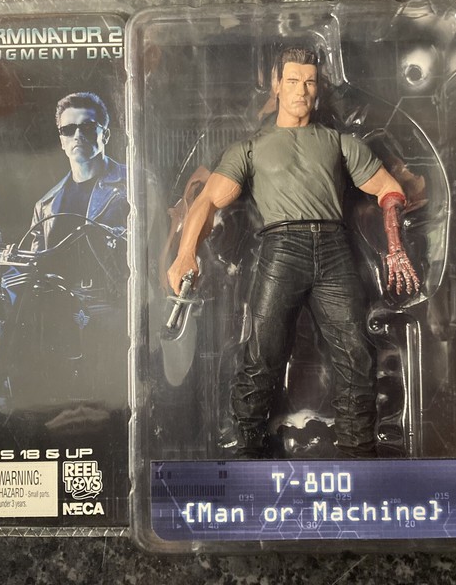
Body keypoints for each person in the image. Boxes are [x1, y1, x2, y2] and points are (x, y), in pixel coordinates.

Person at [167, 48, 420, 458]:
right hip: (281, 249)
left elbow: (390, 189)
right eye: (292, 81)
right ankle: (247, 454)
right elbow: (207, 201)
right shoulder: (251, 149)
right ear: (276, 85)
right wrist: (185, 254)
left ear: (318, 88)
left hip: (335, 250)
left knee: (356, 355)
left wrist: (395, 247)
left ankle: (359, 453)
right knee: (262, 356)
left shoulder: (339, 143)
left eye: (309, 82)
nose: (301, 90)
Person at [30, 92, 128, 401]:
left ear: (105, 134)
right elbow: (33, 265)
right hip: (62, 318)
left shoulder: (133, 186)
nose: (77, 135)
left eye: (87, 127)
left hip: (115, 312)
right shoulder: (46, 204)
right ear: (61, 140)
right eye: (68, 129)